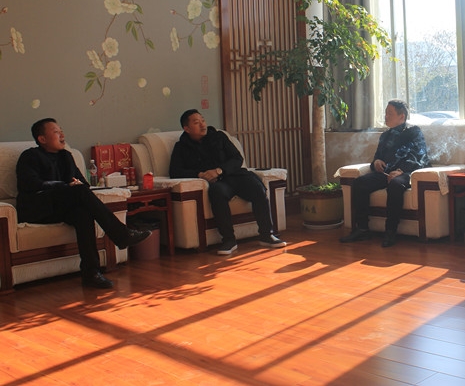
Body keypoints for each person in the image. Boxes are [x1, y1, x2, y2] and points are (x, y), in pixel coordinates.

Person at [16, 118, 152, 289]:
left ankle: (91, 273)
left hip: (60, 206)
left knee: (83, 214)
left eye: (61, 130)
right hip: (37, 207)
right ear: (42, 139)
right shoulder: (30, 156)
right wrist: (65, 186)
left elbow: (83, 184)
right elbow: (30, 184)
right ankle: (121, 234)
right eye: (56, 132)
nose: (62, 135)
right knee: (78, 192)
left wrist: (75, 185)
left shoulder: (66, 156)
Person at [169, 109, 286, 255]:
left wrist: (219, 170)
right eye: (196, 122)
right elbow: (175, 171)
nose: (202, 125)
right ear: (186, 128)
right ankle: (229, 240)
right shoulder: (181, 147)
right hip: (218, 183)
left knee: (258, 188)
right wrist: (199, 174)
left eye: (203, 120)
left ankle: (267, 235)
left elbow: (237, 158)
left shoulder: (219, 136)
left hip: (235, 175)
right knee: (217, 192)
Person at [340, 99, 430, 247]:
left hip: (408, 172)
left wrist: (400, 171)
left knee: (395, 184)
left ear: (402, 116)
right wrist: (376, 162)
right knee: (360, 183)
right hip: (386, 172)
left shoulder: (413, 132)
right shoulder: (385, 135)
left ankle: (390, 231)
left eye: (390, 113)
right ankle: (362, 229)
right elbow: (377, 157)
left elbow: (419, 156)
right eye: (386, 113)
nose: (386, 116)